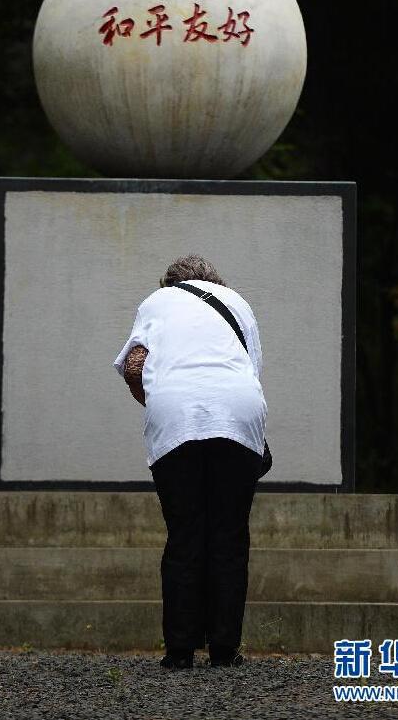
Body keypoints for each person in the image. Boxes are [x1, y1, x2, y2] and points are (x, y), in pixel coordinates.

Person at [113, 255, 268, 670]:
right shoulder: (237, 302)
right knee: (229, 534)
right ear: (214, 280)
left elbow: (135, 366)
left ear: (170, 282)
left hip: (175, 416)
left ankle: (179, 651)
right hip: (237, 414)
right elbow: (250, 371)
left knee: (185, 533)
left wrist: (158, 402)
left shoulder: (157, 301)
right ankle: (224, 650)